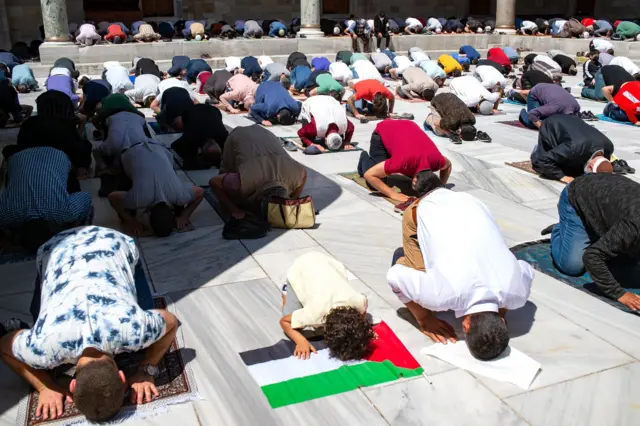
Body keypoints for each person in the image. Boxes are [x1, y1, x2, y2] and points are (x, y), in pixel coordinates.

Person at [0, 226, 179, 421]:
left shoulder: (134, 330)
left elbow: (170, 322)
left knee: (147, 312)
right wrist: (44, 386)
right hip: (68, 246)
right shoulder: (43, 348)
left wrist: (46, 386)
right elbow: (4, 346)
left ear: (72, 386)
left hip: (93, 243)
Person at [387, 186, 534, 357]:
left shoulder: (518, 295)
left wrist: (504, 304)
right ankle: (402, 255)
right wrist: (424, 319)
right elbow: (393, 276)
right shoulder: (438, 296)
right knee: (415, 278)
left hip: (471, 202)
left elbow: (525, 267)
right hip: (425, 206)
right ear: (465, 327)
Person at [549, 173, 640, 312]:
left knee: (625, 258)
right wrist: (620, 294)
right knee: (572, 265)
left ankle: (597, 233)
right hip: (577, 197)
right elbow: (592, 257)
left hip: (607, 200)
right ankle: (559, 230)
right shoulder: (633, 225)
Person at [279, 252, 372, 361]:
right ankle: (287, 290)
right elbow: (284, 322)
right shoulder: (314, 314)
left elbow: (364, 304)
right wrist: (301, 341)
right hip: (300, 269)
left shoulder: (358, 303)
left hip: (328, 263)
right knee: (294, 323)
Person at [0, 146, 93, 251]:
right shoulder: (6, 214)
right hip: (19, 157)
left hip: (56, 155)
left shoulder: (64, 213)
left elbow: (86, 197)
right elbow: (87, 197)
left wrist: (72, 227)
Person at [108, 139, 204, 237]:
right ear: (148, 213)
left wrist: (184, 216)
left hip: (159, 149)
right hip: (132, 150)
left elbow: (200, 192)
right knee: (125, 196)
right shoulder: (138, 200)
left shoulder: (179, 196)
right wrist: (131, 221)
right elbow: (112, 197)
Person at [209, 125, 307, 219]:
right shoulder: (245, 182)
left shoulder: (294, 176)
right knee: (228, 171)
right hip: (238, 136)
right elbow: (214, 182)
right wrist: (234, 210)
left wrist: (293, 200)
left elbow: (304, 174)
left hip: (264, 133)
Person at [357, 119, 451, 204]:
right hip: (384, 129)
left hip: (408, 126)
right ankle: (364, 157)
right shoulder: (402, 163)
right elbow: (369, 175)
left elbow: (448, 165)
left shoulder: (437, 160)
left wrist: (442, 186)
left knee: (398, 163)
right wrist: (393, 194)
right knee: (375, 184)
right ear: (414, 181)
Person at [532, 114, 614, 182]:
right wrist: (562, 177)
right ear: (590, 167)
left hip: (573, 121)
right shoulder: (573, 148)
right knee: (539, 164)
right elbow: (543, 161)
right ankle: (537, 149)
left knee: (575, 168)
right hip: (552, 124)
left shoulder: (609, 147)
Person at [172, 104, 228, 169]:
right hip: (191, 112)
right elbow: (177, 148)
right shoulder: (193, 137)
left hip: (211, 110)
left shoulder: (222, 135)